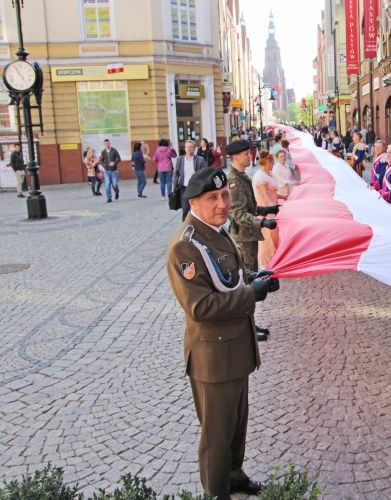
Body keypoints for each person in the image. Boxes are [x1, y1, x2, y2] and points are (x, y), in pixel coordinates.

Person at [166, 167, 279, 500]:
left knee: (236, 425)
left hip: (235, 351)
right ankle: (217, 492)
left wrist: (257, 278)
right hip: (213, 359)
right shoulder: (185, 247)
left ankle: (234, 474)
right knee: (217, 436)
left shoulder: (216, 231)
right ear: (193, 202)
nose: (222, 203)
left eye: (224, 195)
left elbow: (232, 275)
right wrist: (251, 294)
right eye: (212, 198)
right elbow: (200, 307)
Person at [225, 140, 280, 342]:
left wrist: (266, 211)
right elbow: (239, 215)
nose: (251, 157)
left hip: (249, 237)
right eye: (247, 154)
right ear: (237, 156)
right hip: (243, 237)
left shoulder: (242, 177)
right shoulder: (233, 180)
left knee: (250, 281)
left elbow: (249, 208)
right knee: (247, 285)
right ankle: (246, 327)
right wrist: (263, 222)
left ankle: (250, 323)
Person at [253, 152, 286, 268]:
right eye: (271, 161)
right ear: (266, 162)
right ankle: (265, 264)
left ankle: (274, 261)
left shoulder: (268, 174)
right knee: (267, 239)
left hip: (273, 209)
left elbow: (273, 193)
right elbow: (265, 196)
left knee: (274, 237)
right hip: (267, 211)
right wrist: (274, 208)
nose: (273, 163)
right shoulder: (260, 176)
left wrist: (283, 197)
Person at [174, 140, 208, 221]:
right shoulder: (180, 160)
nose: (189, 149)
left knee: (196, 209)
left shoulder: (200, 160)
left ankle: (197, 226)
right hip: (184, 188)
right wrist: (175, 186)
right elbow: (176, 174)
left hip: (196, 188)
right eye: (187, 147)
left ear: (194, 149)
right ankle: (185, 227)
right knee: (185, 209)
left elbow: (205, 174)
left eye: (191, 147)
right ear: (185, 148)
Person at [100, 138, 121, 203]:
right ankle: (109, 198)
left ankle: (117, 192)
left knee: (114, 184)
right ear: (104, 144)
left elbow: (119, 159)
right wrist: (103, 165)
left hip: (114, 171)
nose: (107, 145)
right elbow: (101, 160)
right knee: (107, 184)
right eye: (106, 144)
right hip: (106, 171)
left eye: (108, 143)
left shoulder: (114, 150)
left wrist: (114, 163)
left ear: (110, 143)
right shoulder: (103, 152)